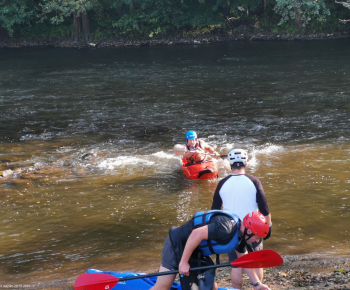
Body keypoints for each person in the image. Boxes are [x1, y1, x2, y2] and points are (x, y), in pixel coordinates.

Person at [150, 210, 271, 290]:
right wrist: (183, 262)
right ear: (249, 231)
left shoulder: (240, 237)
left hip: (196, 251)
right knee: (163, 286)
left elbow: (244, 260)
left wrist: (257, 284)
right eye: (257, 237)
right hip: (178, 243)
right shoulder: (226, 228)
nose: (256, 241)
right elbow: (196, 233)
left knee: (212, 287)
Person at [211, 149, 272, 290]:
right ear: (246, 163)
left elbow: (214, 210)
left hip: (231, 229)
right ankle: (258, 286)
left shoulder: (222, 183)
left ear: (230, 164)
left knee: (237, 264)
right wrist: (268, 226)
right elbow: (264, 208)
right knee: (256, 262)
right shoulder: (254, 181)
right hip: (253, 228)